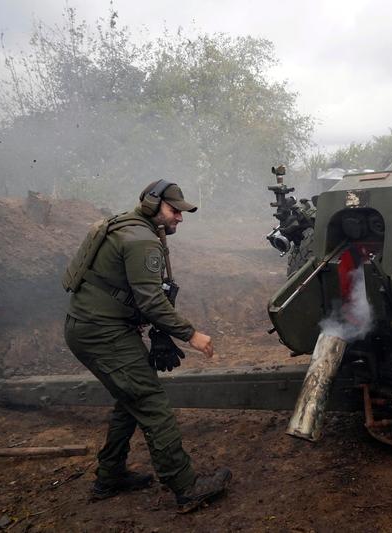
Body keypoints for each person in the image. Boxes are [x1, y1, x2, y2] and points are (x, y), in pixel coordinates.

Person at [63, 180, 231, 513]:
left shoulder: (125, 225)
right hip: (103, 333)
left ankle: (109, 477)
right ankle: (186, 487)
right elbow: (152, 301)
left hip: (93, 328)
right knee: (151, 402)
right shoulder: (142, 241)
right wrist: (190, 334)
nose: (179, 218)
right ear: (153, 205)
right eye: (174, 211)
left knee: (130, 400)